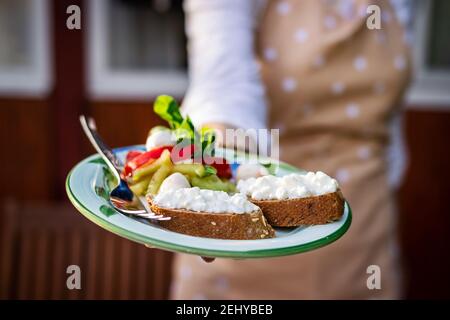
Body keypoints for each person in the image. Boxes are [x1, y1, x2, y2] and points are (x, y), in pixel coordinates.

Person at [172, 0, 413, 299]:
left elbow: (389, 130)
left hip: (366, 252)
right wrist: (219, 168)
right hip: (246, 256)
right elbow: (223, 86)